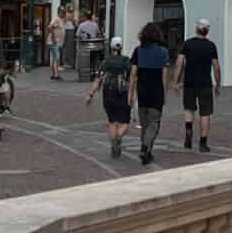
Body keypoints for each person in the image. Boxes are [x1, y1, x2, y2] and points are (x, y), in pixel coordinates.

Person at [172, 17, 221, 152]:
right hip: (205, 83)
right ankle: (203, 143)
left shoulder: (187, 44)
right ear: (208, 31)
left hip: (189, 82)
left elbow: (179, 63)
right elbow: (216, 66)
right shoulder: (211, 46)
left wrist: (175, 82)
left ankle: (188, 132)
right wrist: (218, 83)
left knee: (189, 109)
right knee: (205, 113)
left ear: (196, 28)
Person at [84, 34, 133, 157]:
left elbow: (98, 79)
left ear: (111, 47)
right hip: (123, 93)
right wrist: (132, 94)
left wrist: (91, 94)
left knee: (112, 121)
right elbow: (133, 78)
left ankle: (114, 142)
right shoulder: (127, 61)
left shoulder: (105, 61)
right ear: (121, 47)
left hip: (108, 92)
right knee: (125, 122)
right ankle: (118, 137)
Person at [129, 21, 170, 165]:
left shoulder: (138, 51)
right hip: (156, 91)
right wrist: (165, 94)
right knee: (154, 123)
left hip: (142, 91)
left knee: (145, 124)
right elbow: (165, 77)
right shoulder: (163, 52)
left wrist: (130, 93)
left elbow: (133, 74)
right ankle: (145, 147)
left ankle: (147, 151)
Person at [48, 7, 67, 80]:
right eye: (63, 12)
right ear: (59, 12)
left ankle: (54, 74)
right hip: (54, 42)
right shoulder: (56, 19)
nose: (64, 14)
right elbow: (50, 27)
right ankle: (56, 75)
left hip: (57, 43)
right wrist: (53, 38)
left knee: (54, 58)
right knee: (57, 58)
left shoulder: (61, 20)